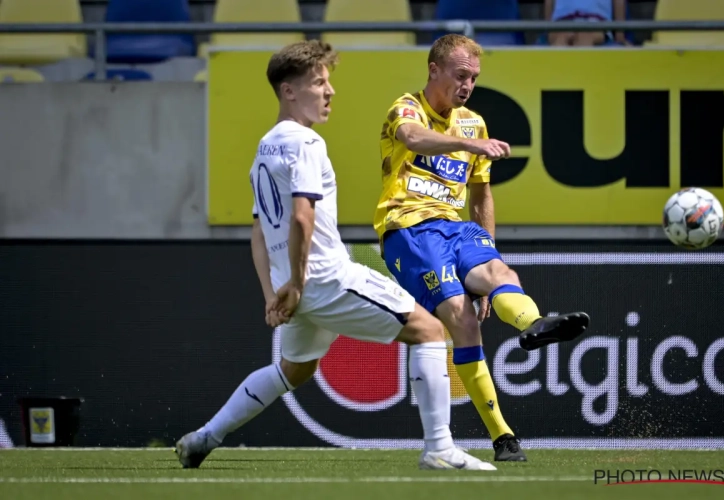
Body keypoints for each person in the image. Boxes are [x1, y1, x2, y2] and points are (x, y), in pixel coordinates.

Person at [175, 40, 495, 471]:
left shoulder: (265, 147)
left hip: (294, 285)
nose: (330, 92)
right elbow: (302, 220)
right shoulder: (306, 142)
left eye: (328, 82)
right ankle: (439, 447)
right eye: (319, 83)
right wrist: (300, 284)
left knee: (293, 370)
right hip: (323, 277)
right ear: (289, 91)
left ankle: (203, 438)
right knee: (430, 331)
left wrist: (276, 292)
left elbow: (258, 230)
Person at [374, 34, 591, 462]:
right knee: (460, 317)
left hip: (457, 229)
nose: (468, 85)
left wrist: (487, 249)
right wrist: (469, 145)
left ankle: (533, 323)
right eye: (460, 75)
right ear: (433, 70)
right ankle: (503, 436)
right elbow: (414, 139)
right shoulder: (407, 108)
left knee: (501, 275)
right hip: (408, 227)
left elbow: (481, 196)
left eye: (473, 78)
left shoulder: (474, 122)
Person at [544, 0, 630, 46]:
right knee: (561, 38)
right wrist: (549, 27)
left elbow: (619, 1)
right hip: (562, 19)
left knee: (585, 36)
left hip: (596, 20)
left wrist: (620, 35)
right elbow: (549, 2)